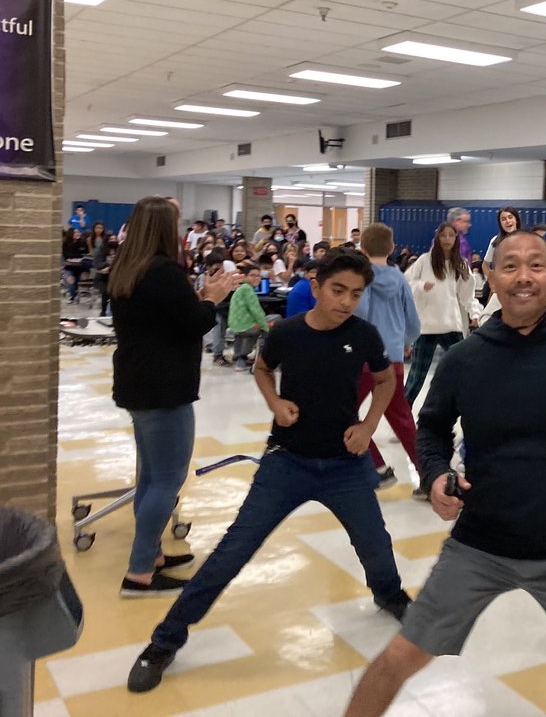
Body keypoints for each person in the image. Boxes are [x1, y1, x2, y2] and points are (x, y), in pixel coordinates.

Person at [345, 231, 546, 717]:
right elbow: (430, 428)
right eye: (509, 265)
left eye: (537, 265)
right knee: (400, 656)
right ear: (489, 277)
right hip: (480, 543)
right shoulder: (465, 358)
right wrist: (433, 475)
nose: (523, 276)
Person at [127, 251, 411, 693]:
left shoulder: (365, 335)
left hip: (344, 466)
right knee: (232, 552)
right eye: (338, 291)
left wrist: (369, 424)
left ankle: (390, 594)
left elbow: (385, 380)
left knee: (375, 541)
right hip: (287, 463)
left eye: (356, 294)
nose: (346, 302)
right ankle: (164, 640)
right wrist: (275, 403)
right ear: (316, 286)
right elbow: (262, 369)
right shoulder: (289, 334)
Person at [109, 196, 238, 596]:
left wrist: (200, 295)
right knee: (167, 479)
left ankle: (153, 553)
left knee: (150, 476)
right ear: (165, 228)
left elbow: (167, 319)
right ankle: (140, 572)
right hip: (164, 388)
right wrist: (213, 297)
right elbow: (195, 322)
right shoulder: (162, 271)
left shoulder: (126, 269)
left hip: (137, 382)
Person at [355, 223, 423, 491]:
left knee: (342, 410)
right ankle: (428, 473)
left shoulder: (363, 278)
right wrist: (404, 343)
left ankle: (377, 466)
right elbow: (414, 323)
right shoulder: (400, 278)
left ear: (361, 249)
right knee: (402, 418)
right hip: (393, 359)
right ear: (392, 248)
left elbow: (360, 315)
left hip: (364, 360)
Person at [404, 222, 475, 404]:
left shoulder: (461, 264)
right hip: (426, 327)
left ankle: (468, 410)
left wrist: (474, 313)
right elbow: (406, 284)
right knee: (416, 377)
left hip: (451, 325)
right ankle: (402, 419)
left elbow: (468, 295)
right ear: (437, 238)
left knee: (464, 371)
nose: (447, 239)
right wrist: (421, 286)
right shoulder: (424, 260)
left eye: (451, 235)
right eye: (443, 235)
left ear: (456, 238)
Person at [228, 264, 271, 372]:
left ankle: (239, 357)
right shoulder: (248, 290)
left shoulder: (242, 288)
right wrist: (266, 327)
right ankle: (260, 360)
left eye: (258, 276)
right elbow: (257, 312)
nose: (256, 278)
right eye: (253, 275)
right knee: (274, 321)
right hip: (245, 325)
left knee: (256, 327)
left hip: (235, 324)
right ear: (245, 277)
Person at [481, 206, 520, 282]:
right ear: (500, 224)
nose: (507, 221)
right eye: (503, 219)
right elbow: (485, 265)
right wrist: (493, 281)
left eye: (510, 217)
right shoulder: (495, 241)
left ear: (516, 220)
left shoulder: (527, 239)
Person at [61, 227, 90, 302]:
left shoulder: (83, 243)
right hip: (70, 267)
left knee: (84, 277)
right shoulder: (66, 244)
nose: (78, 233)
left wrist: (76, 257)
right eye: (75, 232)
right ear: (71, 234)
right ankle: (73, 295)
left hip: (81, 267)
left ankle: (77, 294)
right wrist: (76, 257)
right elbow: (67, 256)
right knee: (70, 280)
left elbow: (84, 255)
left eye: (78, 232)